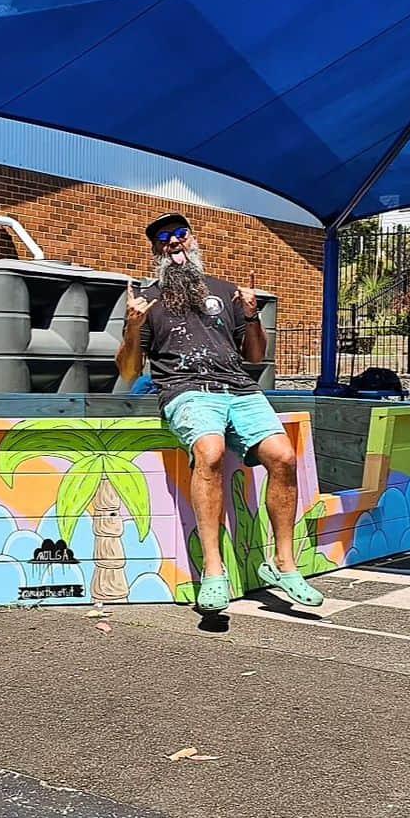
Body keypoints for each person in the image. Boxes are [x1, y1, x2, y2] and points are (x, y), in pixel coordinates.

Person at [115, 211, 324, 613]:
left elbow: (256, 356)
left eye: (180, 234)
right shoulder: (148, 301)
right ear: (156, 251)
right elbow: (127, 371)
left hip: (240, 389)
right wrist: (133, 327)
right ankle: (213, 572)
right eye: (163, 239)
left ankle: (284, 564)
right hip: (186, 391)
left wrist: (250, 315)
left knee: (283, 456)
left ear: (193, 241)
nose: (173, 242)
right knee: (209, 452)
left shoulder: (224, 291)